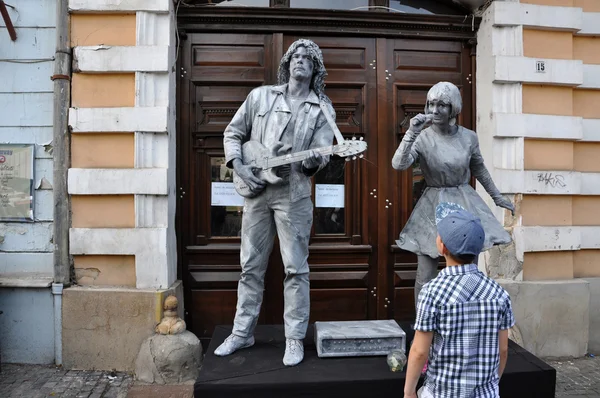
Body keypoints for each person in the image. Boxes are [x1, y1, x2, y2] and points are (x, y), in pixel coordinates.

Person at [214, 39, 335, 367]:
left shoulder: (322, 108)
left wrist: (310, 162)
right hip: (256, 193)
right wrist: (239, 166)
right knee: (250, 266)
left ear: (315, 68)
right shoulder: (260, 96)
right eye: (295, 56)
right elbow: (232, 133)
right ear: (287, 63)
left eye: (307, 59)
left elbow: (320, 157)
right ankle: (242, 332)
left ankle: (294, 338)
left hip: (294, 197)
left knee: (296, 269)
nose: (300, 62)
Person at [391, 81, 514, 307]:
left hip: (465, 204)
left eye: (442, 105)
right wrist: (410, 133)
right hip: (433, 206)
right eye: (431, 104)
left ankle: (465, 318)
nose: (434, 110)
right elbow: (399, 165)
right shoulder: (423, 137)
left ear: (453, 108)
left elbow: (479, 168)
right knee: (425, 274)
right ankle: (423, 325)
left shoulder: (468, 137)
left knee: (468, 271)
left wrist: (497, 196)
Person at [404, 204, 515, 398]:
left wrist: (409, 391)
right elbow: (503, 349)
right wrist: (492, 385)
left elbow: (419, 352)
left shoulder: (432, 292)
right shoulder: (498, 293)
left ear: (442, 246)